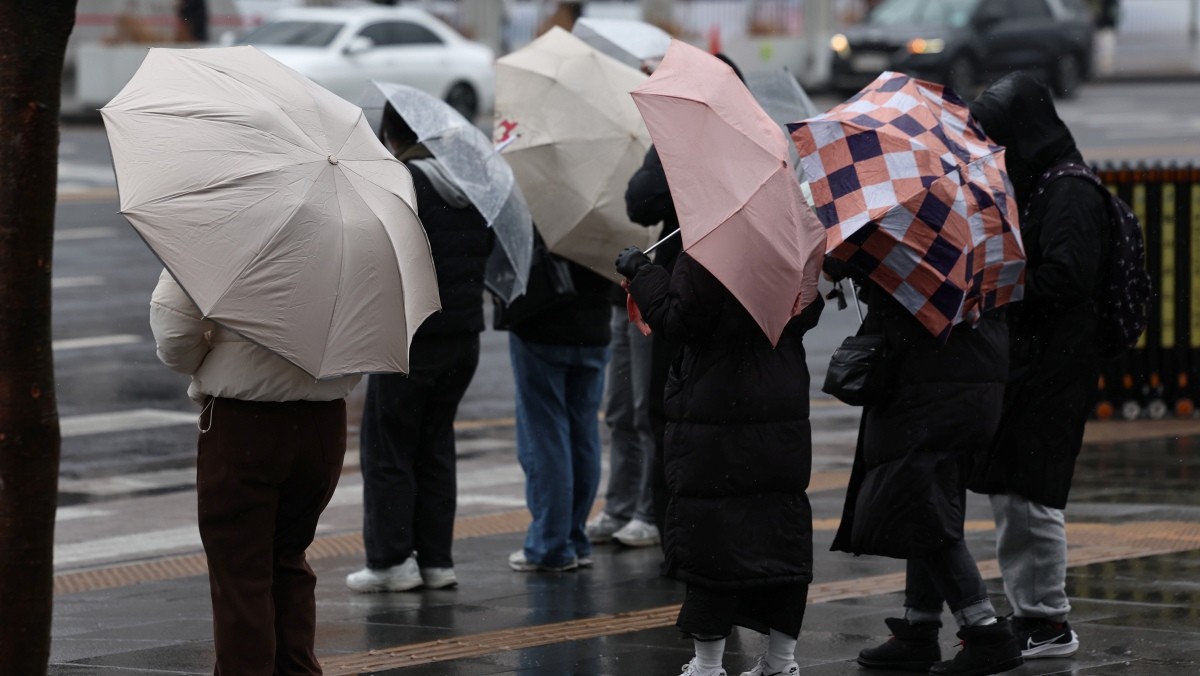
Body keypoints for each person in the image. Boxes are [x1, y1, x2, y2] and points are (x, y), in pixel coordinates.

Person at [616, 246, 823, 676]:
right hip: (779, 395)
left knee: (712, 536)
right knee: (778, 530)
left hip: (719, 402)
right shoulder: (789, 241)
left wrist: (642, 271)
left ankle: (708, 666)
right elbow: (807, 308)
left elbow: (679, 317)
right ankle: (781, 663)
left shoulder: (714, 244)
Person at [968, 72, 1110, 660]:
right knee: (1013, 490)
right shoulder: (1043, 182)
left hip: (1057, 365)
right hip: (1035, 362)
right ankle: (1030, 611)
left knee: (1035, 494)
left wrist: (1003, 282)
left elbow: (1067, 277)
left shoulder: (1069, 190)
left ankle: (1048, 621)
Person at [150, 272, 357, 675]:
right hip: (323, 421)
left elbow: (174, 329)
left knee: (240, 572)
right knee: (288, 556)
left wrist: (212, 362)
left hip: (245, 419)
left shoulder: (222, 220)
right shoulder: (355, 228)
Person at [827, 262, 1023, 675]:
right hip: (970, 386)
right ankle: (920, 625)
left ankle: (986, 632)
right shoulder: (978, 241)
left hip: (930, 392)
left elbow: (909, 316)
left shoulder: (921, 247)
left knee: (924, 509)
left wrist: (865, 274)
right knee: (929, 502)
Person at [345, 107, 495, 592]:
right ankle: (436, 560)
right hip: (462, 338)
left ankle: (391, 561)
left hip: (411, 335)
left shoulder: (403, 183)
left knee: (388, 445)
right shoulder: (468, 185)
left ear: (392, 134)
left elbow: (376, 251)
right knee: (435, 444)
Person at [506, 254, 614, 572]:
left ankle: (550, 544)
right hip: (595, 324)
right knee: (584, 435)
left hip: (542, 321)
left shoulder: (541, 209)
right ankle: (575, 537)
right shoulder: (604, 209)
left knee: (545, 437)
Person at [585, 286, 661, 548]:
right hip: (621, 299)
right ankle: (621, 508)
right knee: (619, 411)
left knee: (645, 412)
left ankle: (650, 512)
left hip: (650, 301)